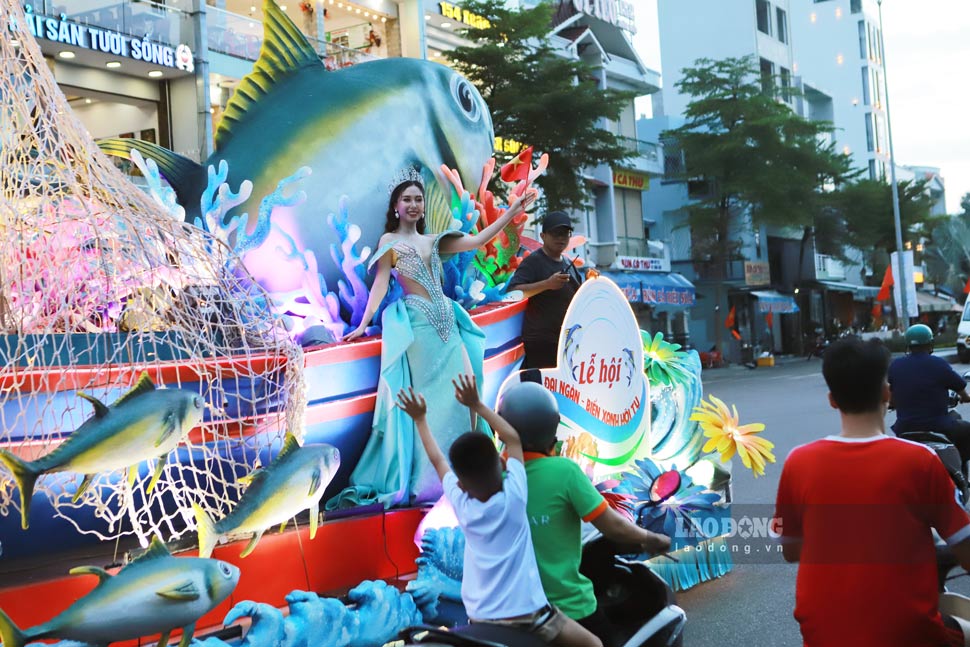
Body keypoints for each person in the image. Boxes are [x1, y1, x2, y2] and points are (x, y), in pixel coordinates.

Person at [338, 172, 534, 507]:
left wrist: (512, 211)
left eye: (418, 199)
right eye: (407, 200)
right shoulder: (389, 241)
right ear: (396, 207)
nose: (414, 205)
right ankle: (431, 483)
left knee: (464, 393)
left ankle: (468, 474)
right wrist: (363, 324)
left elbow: (477, 240)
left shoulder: (434, 240)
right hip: (419, 331)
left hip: (448, 323)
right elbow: (381, 284)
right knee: (428, 406)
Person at [773, 337, 970, 647]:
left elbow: (790, 550)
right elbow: (964, 549)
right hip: (909, 635)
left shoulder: (798, 461)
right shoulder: (920, 460)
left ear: (832, 400)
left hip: (822, 635)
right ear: (887, 393)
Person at [397, 375, 601, 647]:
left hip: (481, 619)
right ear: (502, 464)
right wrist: (477, 404)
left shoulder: (462, 504)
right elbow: (513, 438)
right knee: (594, 644)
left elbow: (437, 460)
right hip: (530, 616)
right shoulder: (515, 496)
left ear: (461, 483)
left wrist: (420, 419)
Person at [497, 381, 671, 647]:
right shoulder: (564, 472)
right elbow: (614, 527)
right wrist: (652, 539)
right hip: (566, 608)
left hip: (508, 613)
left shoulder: (494, 478)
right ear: (553, 426)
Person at [889, 323, 970, 471]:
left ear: (908, 345)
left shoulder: (896, 365)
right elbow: (961, 389)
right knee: (966, 430)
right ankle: (960, 471)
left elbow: (891, 398)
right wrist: (965, 397)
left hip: (904, 429)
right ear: (930, 343)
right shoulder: (939, 364)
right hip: (939, 427)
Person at [508, 211, 582, 369]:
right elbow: (512, 293)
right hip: (541, 344)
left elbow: (579, 297)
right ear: (542, 236)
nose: (561, 238)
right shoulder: (533, 261)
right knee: (541, 392)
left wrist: (591, 281)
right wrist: (547, 284)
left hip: (567, 344)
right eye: (556, 233)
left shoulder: (569, 263)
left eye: (565, 233)